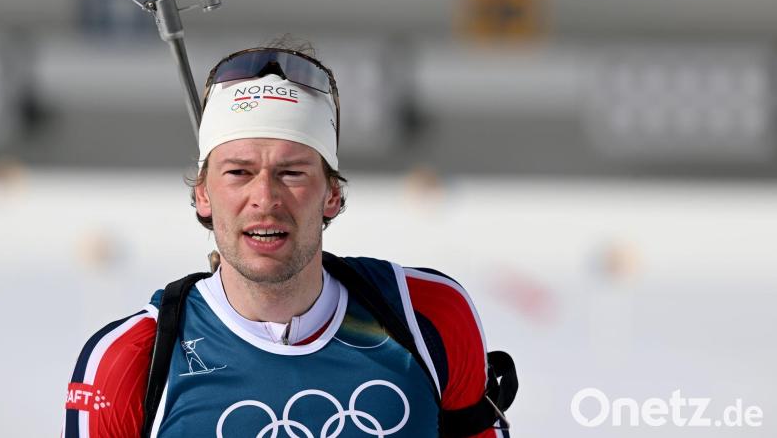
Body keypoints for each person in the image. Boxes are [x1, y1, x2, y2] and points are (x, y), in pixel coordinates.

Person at [63, 44, 513, 437]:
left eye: (291, 173)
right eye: (238, 172)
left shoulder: (426, 314)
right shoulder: (130, 361)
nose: (264, 199)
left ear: (332, 195)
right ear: (202, 195)